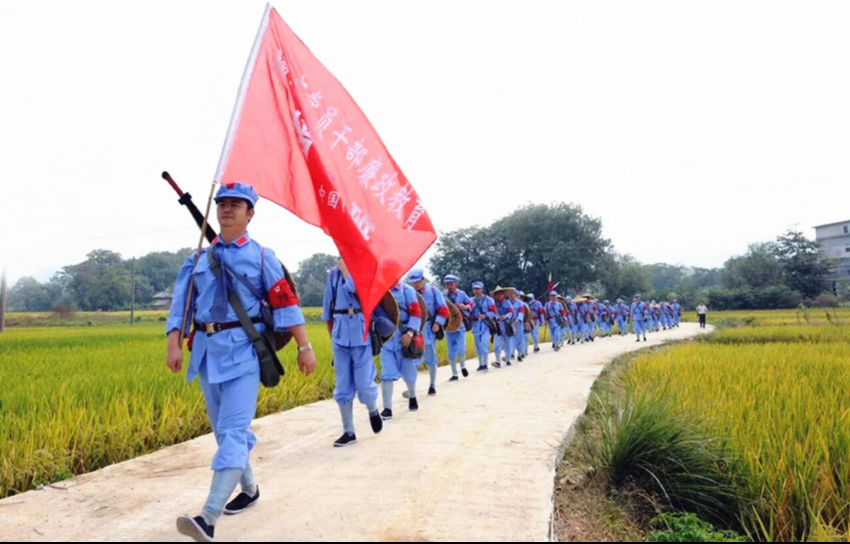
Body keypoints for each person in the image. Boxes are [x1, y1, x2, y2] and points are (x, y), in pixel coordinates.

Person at [166, 182, 317, 543]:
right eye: (222, 203)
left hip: (246, 353)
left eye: (236, 204)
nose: (227, 209)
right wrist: (174, 344)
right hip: (206, 353)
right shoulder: (198, 258)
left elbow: (285, 303)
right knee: (223, 434)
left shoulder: (262, 257)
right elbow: (181, 305)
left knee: (233, 432)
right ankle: (249, 488)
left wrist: (304, 346)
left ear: (250, 214)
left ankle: (208, 517)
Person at [322, 260, 389, 448]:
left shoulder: (363, 269)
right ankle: (348, 431)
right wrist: (331, 333)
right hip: (339, 333)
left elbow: (354, 288)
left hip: (361, 333)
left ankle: (372, 409)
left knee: (364, 383)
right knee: (342, 384)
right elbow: (328, 304)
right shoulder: (333, 274)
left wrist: (346, 269)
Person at [380, 279, 423, 419]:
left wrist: (410, 333)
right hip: (386, 337)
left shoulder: (406, 290)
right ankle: (387, 408)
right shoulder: (380, 289)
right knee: (386, 373)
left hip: (404, 336)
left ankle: (412, 396)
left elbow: (416, 313)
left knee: (408, 371)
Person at [408, 269, 448, 396]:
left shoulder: (433, 291)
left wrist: (438, 323)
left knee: (431, 358)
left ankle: (432, 384)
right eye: (413, 282)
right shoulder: (409, 292)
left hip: (429, 330)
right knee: (413, 359)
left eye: (417, 281)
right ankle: (411, 388)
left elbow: (443, 308)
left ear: (423, 279)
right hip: (414, 330)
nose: (415, 284)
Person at [443, 274, 473, 381]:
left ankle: (463, 366)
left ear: (455, 283)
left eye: (451, 284)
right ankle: (454, 374)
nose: (449, 286)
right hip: (449, 327)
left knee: (461, 349)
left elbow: (470, 304)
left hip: (460, 325)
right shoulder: (443, 295)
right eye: (447, 284)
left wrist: (464, 307)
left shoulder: (462, 294)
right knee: (451, 353)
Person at [470, 282, 497, 371]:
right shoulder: (471, 300)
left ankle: (485, 364)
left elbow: (493, 311)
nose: (476, 291)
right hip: (475, 325)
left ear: (482, 289)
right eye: (475, 289)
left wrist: (486, 315)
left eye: (478, 289)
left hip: (485, 324)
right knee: (478, 345)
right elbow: (468, 312)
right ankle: (480, 364)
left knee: (484, 344)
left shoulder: (489, 300)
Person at [491, 286, 515, 368]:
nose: (499, 295)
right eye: (497, 294)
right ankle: (498, 361)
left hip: (507, 325)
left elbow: (511, 312)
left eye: (500, 294)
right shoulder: (493, 304)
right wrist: (497, 317)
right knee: (497, 345)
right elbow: (492, 313)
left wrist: (506, 316)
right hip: (497, 326)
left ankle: (508, 360)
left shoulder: (508, 303)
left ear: (503, 294)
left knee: (508, 343)